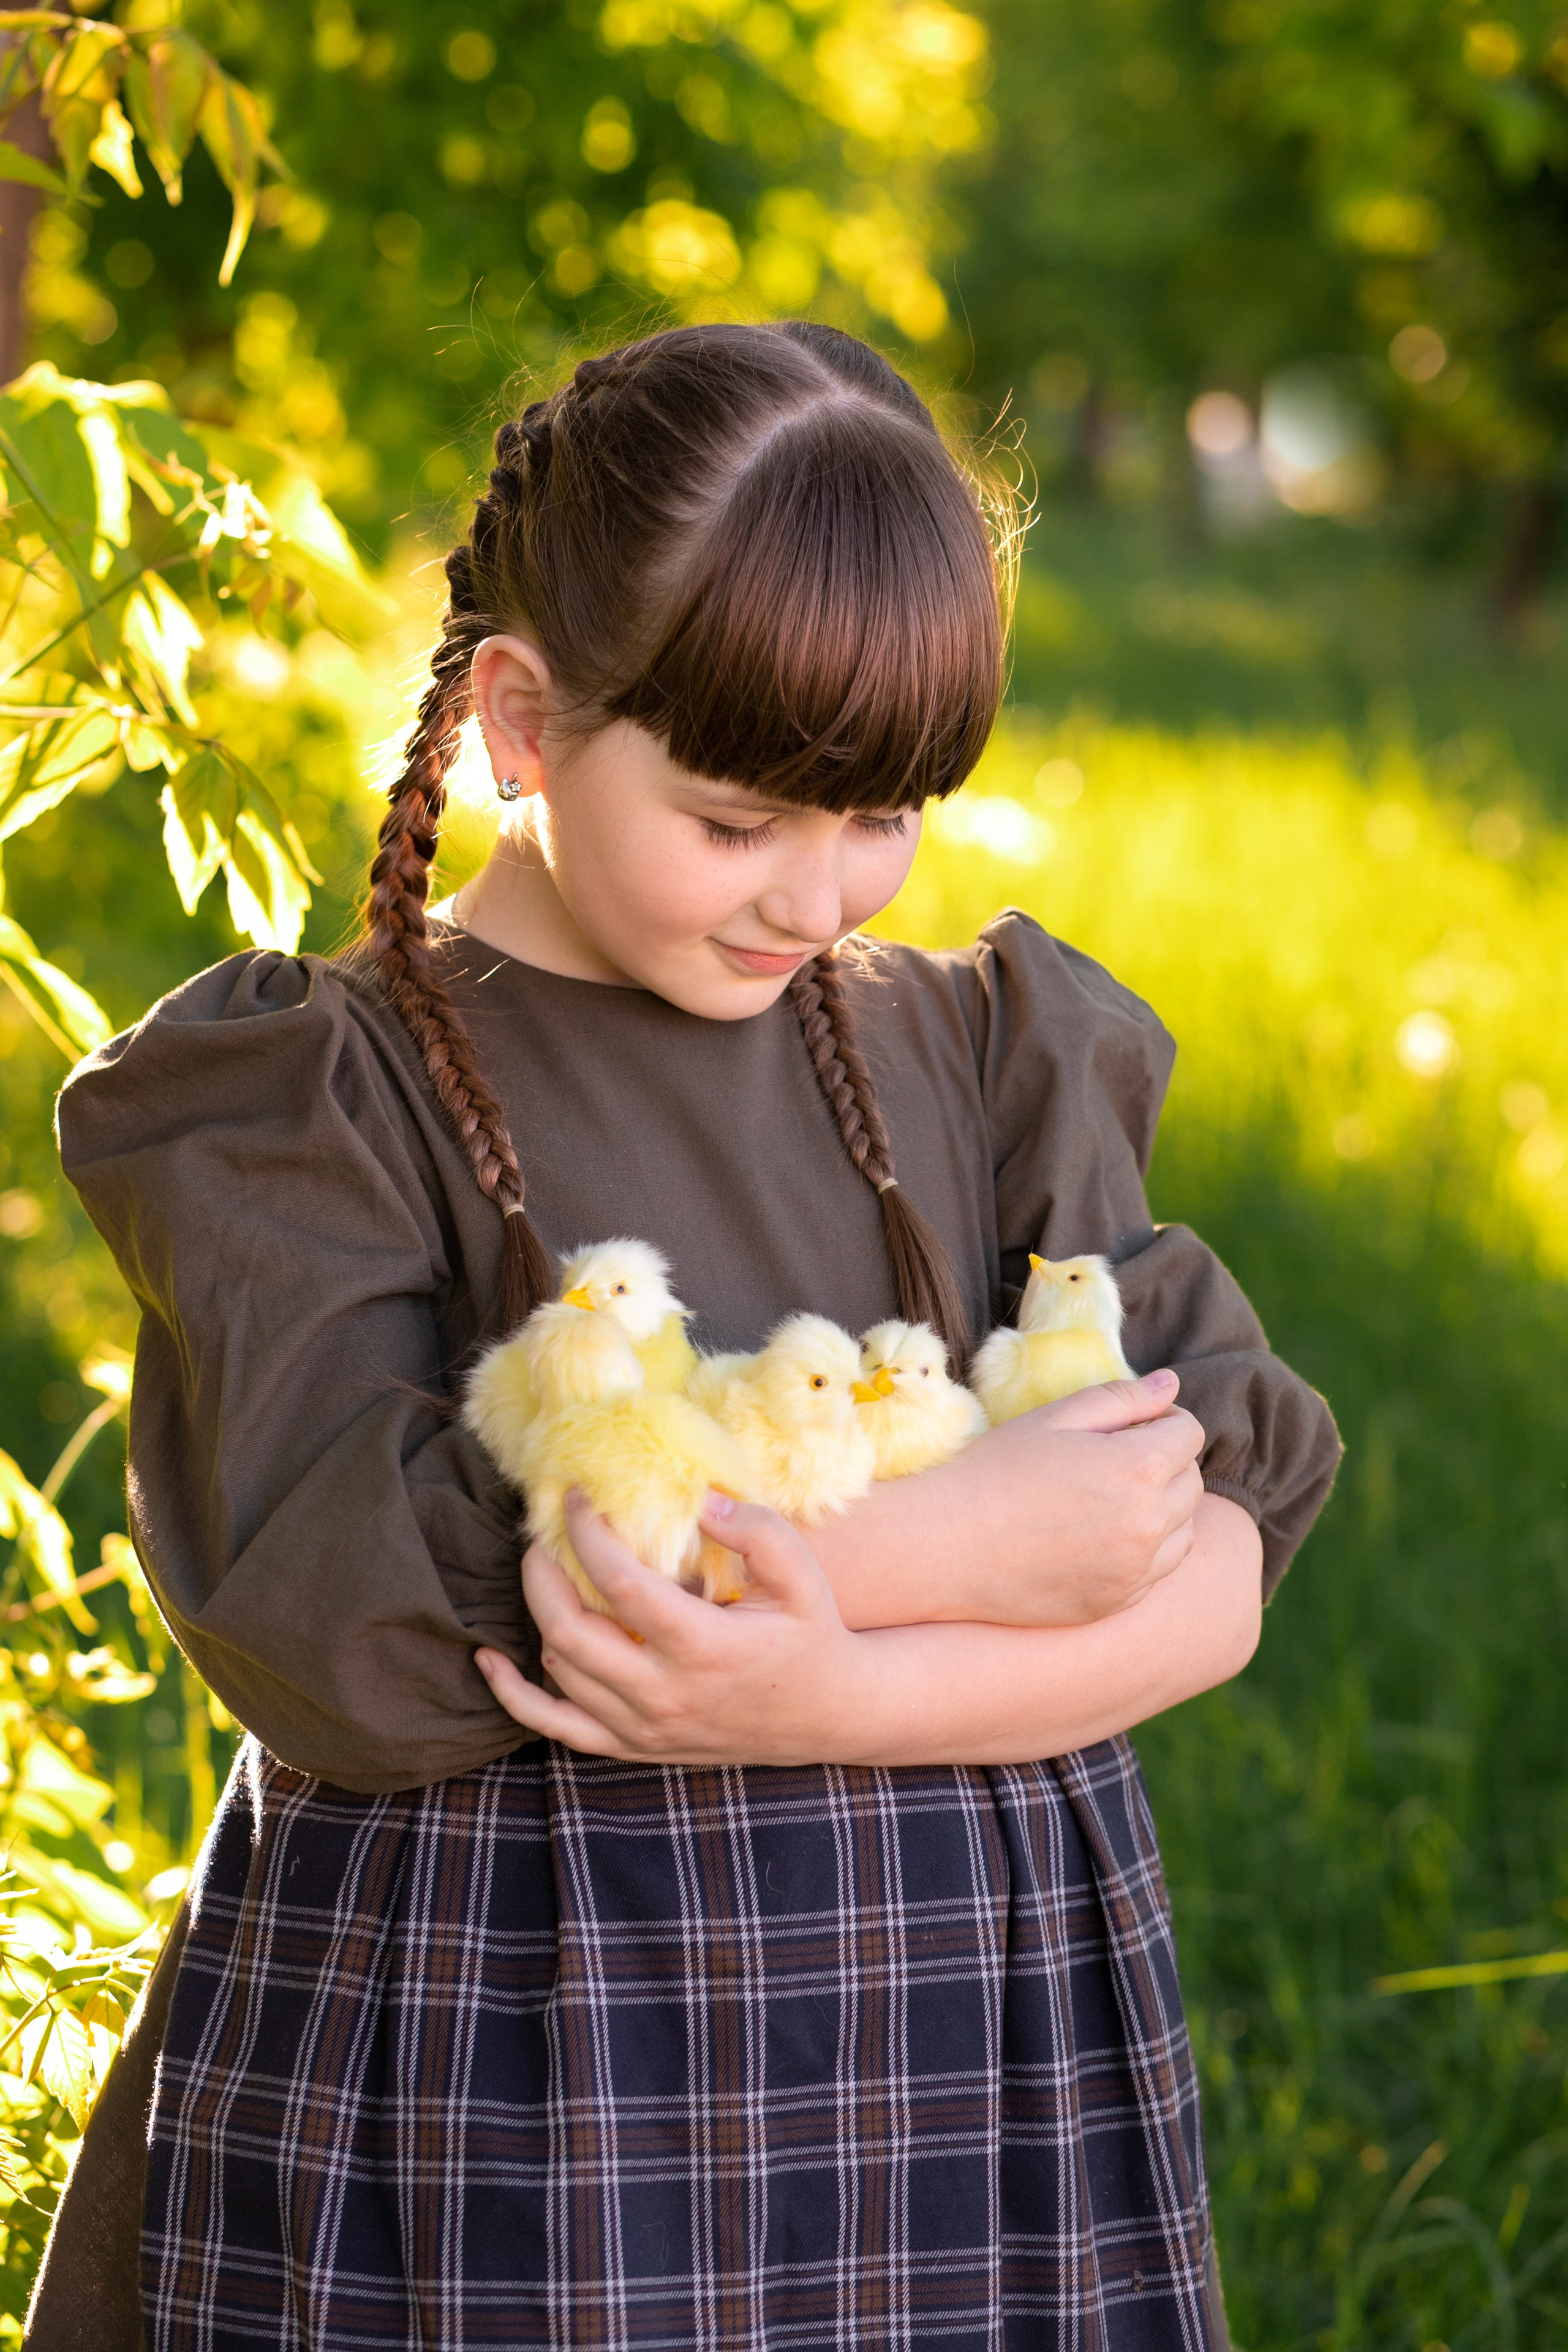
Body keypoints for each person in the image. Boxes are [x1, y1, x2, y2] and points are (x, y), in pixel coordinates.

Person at [37, 322, 1338, 2351]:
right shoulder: (321, 1099)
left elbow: (1224, 1565)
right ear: (524, 722)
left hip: (949, 2068)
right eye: (741, 823)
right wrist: (928, 1556)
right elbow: (355, 1649)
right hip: (509, 2098)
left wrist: (824, 1691)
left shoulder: (979, 1063)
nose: (818, 891)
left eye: (885, 813)